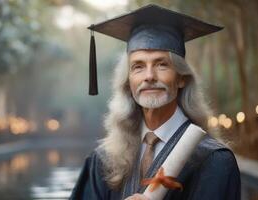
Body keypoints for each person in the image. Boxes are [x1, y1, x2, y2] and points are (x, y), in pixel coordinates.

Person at [70, 4, 241, 200]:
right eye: (138, 67)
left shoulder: (212, 160)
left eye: (162, 64)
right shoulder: (104, 161)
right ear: (128, 82)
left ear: (181, 78)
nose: (149, 76)